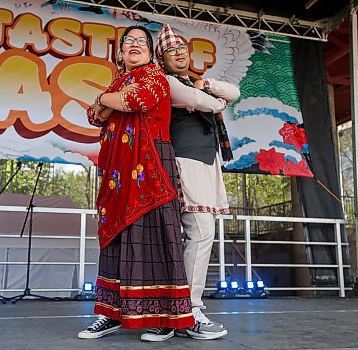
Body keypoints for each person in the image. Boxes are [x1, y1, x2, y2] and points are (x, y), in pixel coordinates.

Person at [78, 25, 195, 342]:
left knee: (156, 236)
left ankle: (168, 317)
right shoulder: (117, 82)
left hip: (151, 161)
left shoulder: (154, 76)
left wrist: (104, 99)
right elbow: (93, 116)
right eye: (128, 41)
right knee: (117, 235)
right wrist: (108, 98)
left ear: (150, 50)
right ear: (120, 51)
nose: (134, 45)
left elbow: (137, 101)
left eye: (141, 41)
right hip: (119, 170)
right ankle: (111, 314)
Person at [155, 24, 241, 340]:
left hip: (203, 163)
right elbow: (211, 104)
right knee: (201, 232)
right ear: (161, 59)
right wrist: (210, 97)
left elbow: (233, 93)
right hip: (183, 162)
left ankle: (171, 312)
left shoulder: (195, 83)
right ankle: (188, 311)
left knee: (192, 235)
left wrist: (208, 86)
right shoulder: (166, 83)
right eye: (171, 51)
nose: (179, 54)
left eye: (182, 49)